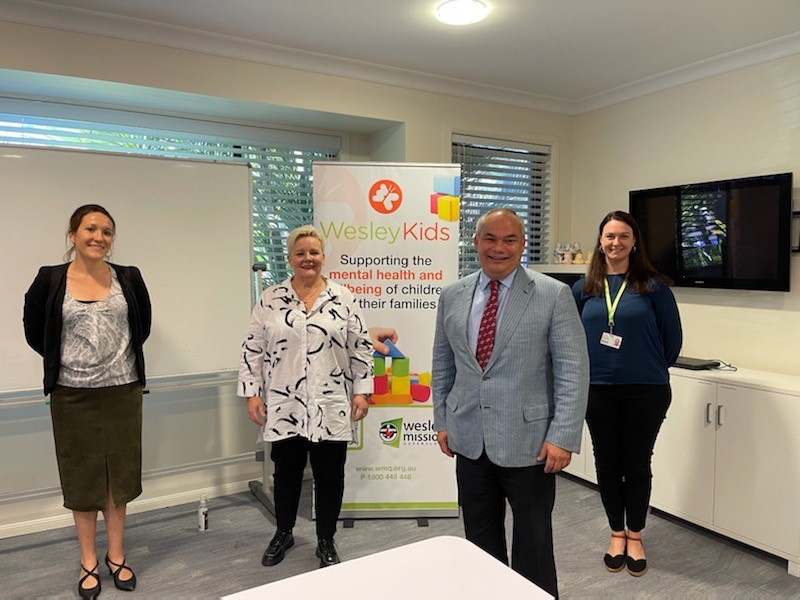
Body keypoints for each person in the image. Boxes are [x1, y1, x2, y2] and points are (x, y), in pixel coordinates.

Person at [432, 208, 589, 598]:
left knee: (533, 543)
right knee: (479, 541)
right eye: (490, 238)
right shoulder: (452, 295)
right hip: (470, 438)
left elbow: (572, 370)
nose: (498, 248)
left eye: (509, 240)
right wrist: (443, 420)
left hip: (531, 442)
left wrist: (563, 435)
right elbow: (443, 363)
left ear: (522, 245)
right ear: (475, 242)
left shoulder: (553, 294)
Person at [23, 204, 151, 599]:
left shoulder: (129, 277)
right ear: (73, 234)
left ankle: (116, 555)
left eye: (107, 231)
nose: (99, 237)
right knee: (82, 480)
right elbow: (35, 331)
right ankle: (88, 560)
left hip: (122, 392)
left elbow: (142, 326)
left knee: (119, 479)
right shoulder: (50, 279)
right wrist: (72, 363)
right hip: (71, 395)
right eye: (91, 229)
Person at [238, 225, 373, 569]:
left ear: (323, 257)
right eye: (300, 253)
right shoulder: (270, 299)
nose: (307, 258)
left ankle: (326, 539)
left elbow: (361, 347)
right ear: (290, 259)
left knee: (330, 476)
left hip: (331, 402)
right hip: (285, 403)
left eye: (313, 252)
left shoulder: (343, 298)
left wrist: (363, 390)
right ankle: (283, 532)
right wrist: (251, 394)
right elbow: (252, 348)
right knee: (286, 474)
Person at [572, 210, 682, 577]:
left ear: (634, 242)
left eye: (623, 236)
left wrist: (643, 366)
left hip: (645, 390)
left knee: (636, 464)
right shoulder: (583, 288)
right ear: (600, 241)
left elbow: (672, 341)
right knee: (606, 464)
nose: (615, 242)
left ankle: (635, 535)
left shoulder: (654, 287)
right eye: (609, 236)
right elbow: (570, 338)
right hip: (597, 390)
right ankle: (616, 533)